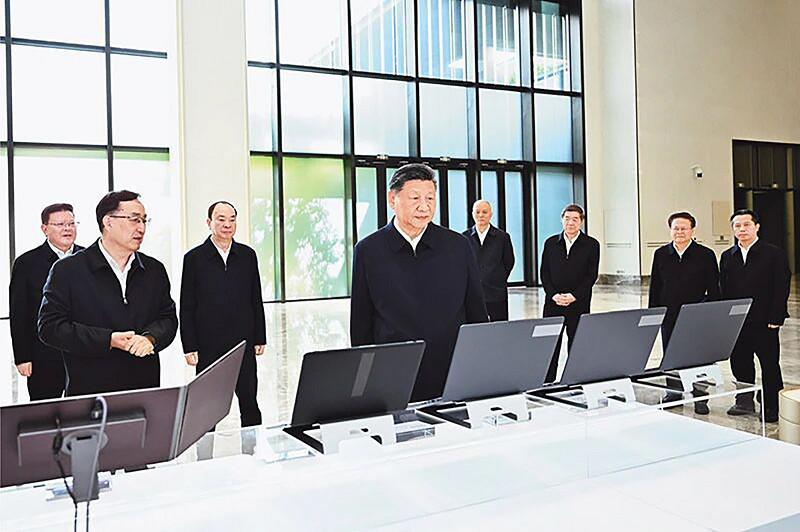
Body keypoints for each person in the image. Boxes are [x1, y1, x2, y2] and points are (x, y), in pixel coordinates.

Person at [350, 163, 487, 402]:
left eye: (430, 198)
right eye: (415, 198)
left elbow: (476, 311)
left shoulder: (458, 246)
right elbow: (361, 322)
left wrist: (479, 368)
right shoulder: (368, 250)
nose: (424, 206)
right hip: (393, 372)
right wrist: (366, 381)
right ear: (392, 199)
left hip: (450, 369)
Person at [38, 190, 178, 396]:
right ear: (108, 222)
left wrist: (150, 338)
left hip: (144, 389)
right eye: (134, 219)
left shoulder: (154, 269)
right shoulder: (68, 270)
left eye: (144, 220)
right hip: (90, 392)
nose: (141, 228)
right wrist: (108, 340)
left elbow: (167, 318)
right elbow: (50, 327)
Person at [180, 201, 266, 427]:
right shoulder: (194, 258)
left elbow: (255, 298)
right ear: (209, 222)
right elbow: (187, 305)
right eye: (221, 219)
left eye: (232, 219)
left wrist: (260, 336)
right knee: (207, 406)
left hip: (243, 341)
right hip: (208, 344)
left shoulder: (247, 255)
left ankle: (253, 446)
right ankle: (205, 450)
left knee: (249, 401)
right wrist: (189, 345)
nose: (227, 224)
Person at [720, 209, 790, 423]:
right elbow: (724, 289)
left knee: (769, 364)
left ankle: (771, 405)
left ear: (756, 227)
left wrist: (776, 316)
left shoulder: (773, 253)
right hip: (738, 321)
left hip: (765, 320)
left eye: (746, 225)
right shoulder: (727, 256)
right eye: (737, 226)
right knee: (740, 362)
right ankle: (744, 401)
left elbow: (781, 286)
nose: (741, 229)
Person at [648, 211, 720, 414]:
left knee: (698, 356)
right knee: (671, 355)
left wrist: (709, 312)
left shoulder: (705, 254)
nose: (679, 232)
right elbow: (655, 286)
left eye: (684, 228)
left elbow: (714, 288)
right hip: (669, 315)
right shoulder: (661, 254)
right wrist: (654, 314)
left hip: (696, 316)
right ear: (670, 230)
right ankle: (674, 393)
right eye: (676, 228)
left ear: (692, 230)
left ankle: (700, 396)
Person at [10, 204, 84, 400]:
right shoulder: (26, 263)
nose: (67, 229)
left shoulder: (88, 258)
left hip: (83, 351)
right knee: (45, 410)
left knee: (82, 408)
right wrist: (23, 357)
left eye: (71, 223)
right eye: (60, 224)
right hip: (43, 353)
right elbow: (19, 313)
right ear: (45, 229)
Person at [540, 204, 600, 383]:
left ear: (581, 222)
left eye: (575, 219)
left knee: (577, 343)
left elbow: (591, 275)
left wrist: (574, 296)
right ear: (561, 220)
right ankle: (547, 381)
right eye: (567, 219)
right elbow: (544, 273)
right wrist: (553, 295)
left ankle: (575, 380)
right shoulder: (551, 243)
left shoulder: (591, 245)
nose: (570, 223)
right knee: (551, 343)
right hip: (553, 303)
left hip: (578, 303)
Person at [463, 200, 515, 322]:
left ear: (491, 214)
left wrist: (498, 278)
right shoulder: (464, 238)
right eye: (477, 212)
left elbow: (509, 262)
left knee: (499, 327)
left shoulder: (502, 237)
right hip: (472, 292)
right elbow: (461, 264)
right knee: (474, 327)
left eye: (484, 212)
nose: (481, 215)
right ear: (472, 214)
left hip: (496, 292)